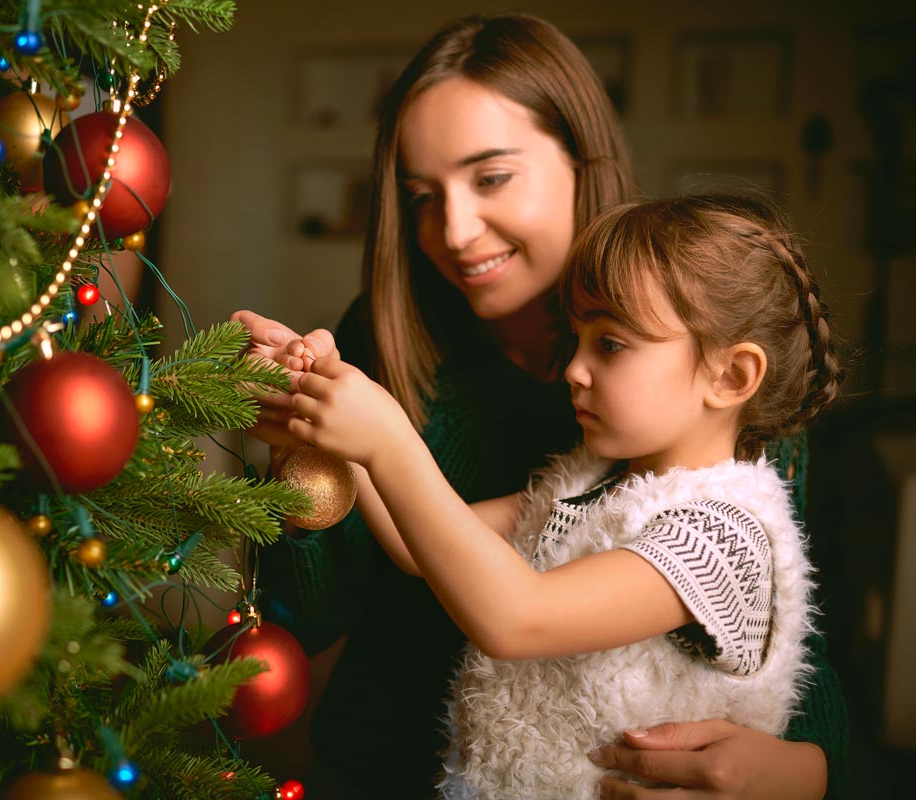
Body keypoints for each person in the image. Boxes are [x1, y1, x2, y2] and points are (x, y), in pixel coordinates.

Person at [233, 13, 848, 799]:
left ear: (581, 161)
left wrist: (807, 773)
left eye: (491, 178)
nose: (452, 231)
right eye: (422, 196)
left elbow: (789, 655)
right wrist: (311, 436)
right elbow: (368, 578)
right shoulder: (412, 346)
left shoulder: (710, 378)